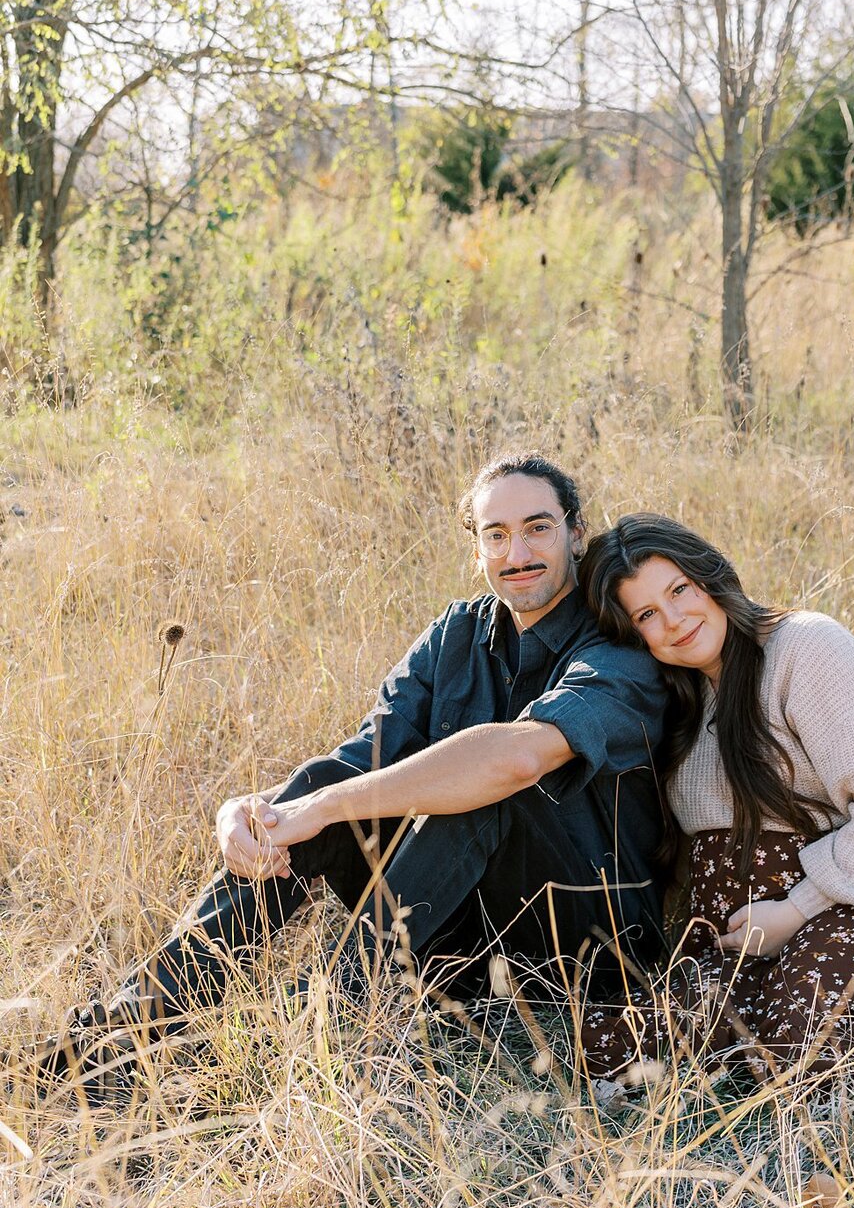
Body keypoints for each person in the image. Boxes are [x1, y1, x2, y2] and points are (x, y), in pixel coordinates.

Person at [33, 455, 668, 1096]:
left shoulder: (618, 645)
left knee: (486, 790)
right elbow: (363, 756)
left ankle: (322, 1032)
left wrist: (329, 803)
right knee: (322, 796)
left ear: (576, 533)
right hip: (467, 937)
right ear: (476, 550)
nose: (517, 552)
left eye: (538, 528)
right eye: (495, 535)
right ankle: (117, 1034)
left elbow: (516, 760)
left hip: (590, 937)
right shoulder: (456, 635)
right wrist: (258, 809)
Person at [576, 514, 854, 1080]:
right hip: (742, 941)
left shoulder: (806, 650)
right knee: (610, 1046)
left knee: (792, 1042)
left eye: (679, 590)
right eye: (646, 615)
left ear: (708, 576)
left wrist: (794, 911)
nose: (674, 620)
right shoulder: (682, 702)